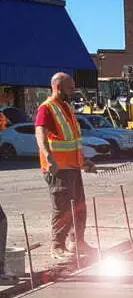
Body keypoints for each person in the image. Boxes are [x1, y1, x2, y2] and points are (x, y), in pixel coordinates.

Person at [34, 72, 96, 264]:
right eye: (70, 87)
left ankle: (77, 242)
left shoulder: (66, 107)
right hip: (57, 169)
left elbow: (73, 140)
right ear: (58, 88)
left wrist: (84, 161)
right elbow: (40, 134)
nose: (73, 90)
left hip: (72, 167)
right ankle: (57, 246)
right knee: (62, 208)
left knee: (78, 207)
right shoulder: (47, 108)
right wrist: (48, 157)